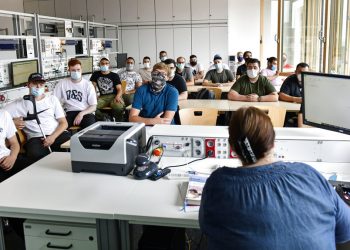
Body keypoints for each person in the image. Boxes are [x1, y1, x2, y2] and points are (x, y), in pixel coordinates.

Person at [199, 106, 350, 250]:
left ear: (232, 148)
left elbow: (207, 227)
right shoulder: (310, 175)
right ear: (273, 142)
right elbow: (344, 231)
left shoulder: (217, 185)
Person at [5, 73, 70, 161]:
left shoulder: (52, 99)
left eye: (41, 84)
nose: (38, 86)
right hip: (36, 138)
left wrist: (53, 137)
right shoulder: (19, 104)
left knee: (73, 146)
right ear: (28, 85)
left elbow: (64, 123)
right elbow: (2, 117)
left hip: (57, 134)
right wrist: (13, 122)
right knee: (35, 155)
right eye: (35, 84)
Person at [53, 58, 97, 129]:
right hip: (69, 112)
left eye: (78, 70)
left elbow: (93, 107)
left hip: (85, 112)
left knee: (90, 131)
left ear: (81, 70)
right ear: (69, 70)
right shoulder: (62, 83)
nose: (76, 72)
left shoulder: (88, 85)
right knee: (59, 129)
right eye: (73, 70)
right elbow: (54, 100)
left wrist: (81, 114)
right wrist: (61, 112)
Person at [279, 62, 309, 127]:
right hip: (291, 113)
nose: (302, 74)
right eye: (300, 72)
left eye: (305, 72)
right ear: (295, 72)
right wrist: (295, 99)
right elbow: (281, 95)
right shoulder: (290, 80)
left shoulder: (312, 81)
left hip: (307, 113)